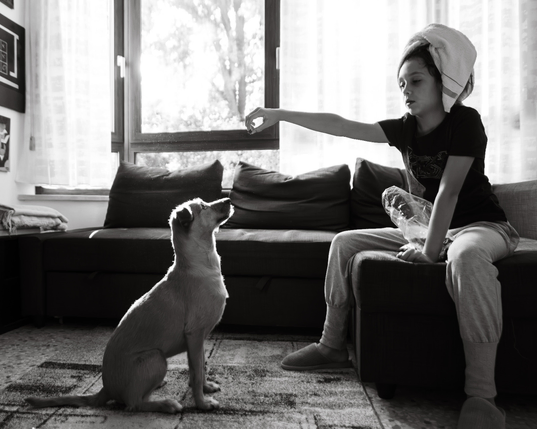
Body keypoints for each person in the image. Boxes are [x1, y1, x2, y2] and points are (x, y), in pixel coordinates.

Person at [245, 24, 519, 429]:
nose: (406, 90)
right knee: (343, 242)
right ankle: (331, 345)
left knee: (466, 256)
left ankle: (482, 396)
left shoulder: (466, 122)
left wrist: (429, 252)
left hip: (482, 226)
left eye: (416, 81)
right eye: (402, 83)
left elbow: (449, 192)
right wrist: (279, 114)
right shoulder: (405, 128)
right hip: (432, 231)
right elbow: (340, 123)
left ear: (445, 82)